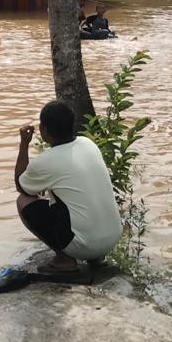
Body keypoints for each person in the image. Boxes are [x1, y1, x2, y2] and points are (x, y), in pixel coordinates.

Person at [15, 100, 122, 272]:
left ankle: (64, 259)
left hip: (85, 246)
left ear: (44, 131)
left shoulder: (46, 160)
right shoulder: (88, 144)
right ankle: (96, 258)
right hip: (112, 239)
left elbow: (22, 187)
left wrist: (24, 144)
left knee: (23, 201)